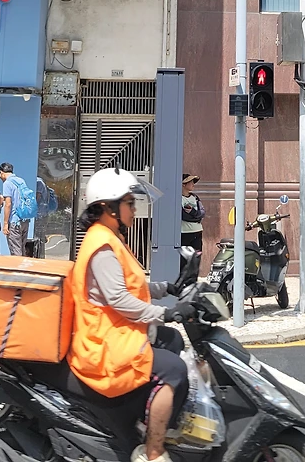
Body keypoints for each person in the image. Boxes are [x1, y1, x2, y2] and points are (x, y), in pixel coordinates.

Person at [69, 167, 194, 462]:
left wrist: (168, 287)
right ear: (107, 207)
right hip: (104, 344)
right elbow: (118, 299)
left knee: (173, 340)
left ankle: (146, 416)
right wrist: (166, 313)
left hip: (117, 330)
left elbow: (130, 285)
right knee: (175, 371)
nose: (134, 209)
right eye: (129, 203)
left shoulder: (109, 237)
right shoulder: (101, 246)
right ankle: (153, 451)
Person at [0, 162, 32, 257]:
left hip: (14, 221)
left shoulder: (7, 183)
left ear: (1, 172)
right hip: (25, 220)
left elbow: (8, 204)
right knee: (22, 249)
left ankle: (18, 267)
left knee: (16, 252)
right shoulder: (21, 181)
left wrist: (5, 223)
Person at [180, 173, 204, 253]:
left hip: (197, 231)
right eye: (191, 182)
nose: (193, 184)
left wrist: (193, 212)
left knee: (196, 256)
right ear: (183, 184)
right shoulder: (179, 198)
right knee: (185, 257)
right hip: (185, 232)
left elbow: (202, 212)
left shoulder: (195, 197)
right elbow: (183, 216)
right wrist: (197, 218)